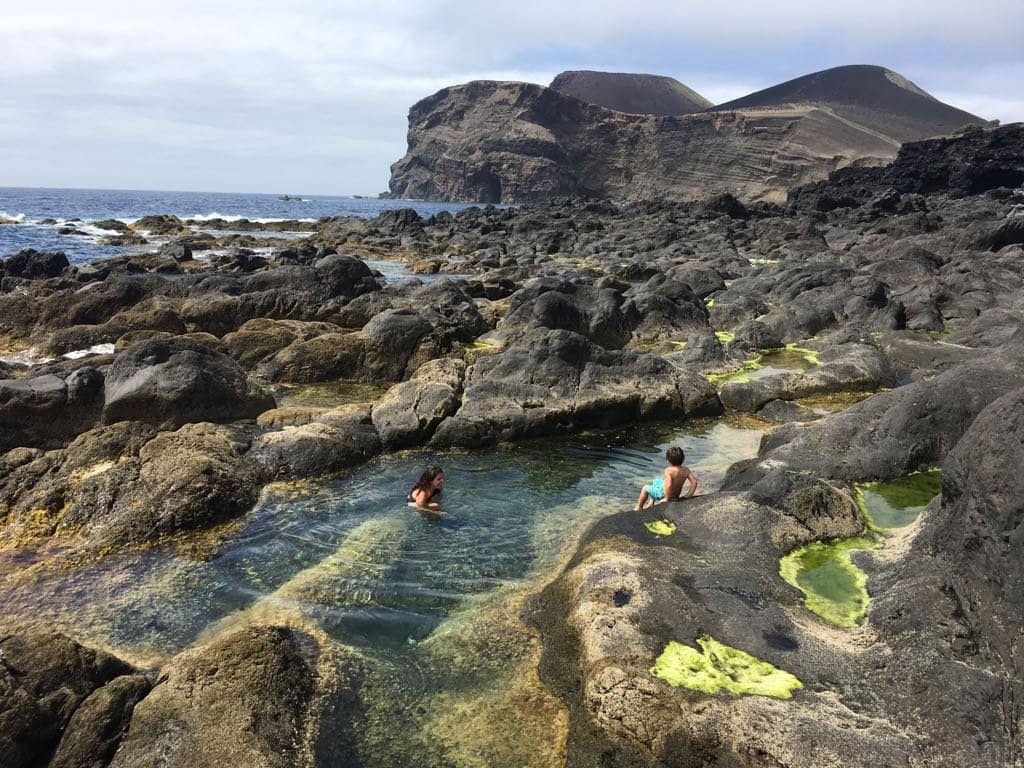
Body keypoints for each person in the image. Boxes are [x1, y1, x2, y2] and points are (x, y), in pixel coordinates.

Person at [635, 446, 697, 511]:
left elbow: (669, 484)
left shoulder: (668, 470)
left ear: (668, 461)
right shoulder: (686, 470)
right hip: (676, 496)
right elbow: (694, 482)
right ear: (683, 459)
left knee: (645, 488)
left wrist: (667, 498)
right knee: (657, 481)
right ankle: (651, 501)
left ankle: (639, 507)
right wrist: (688, 495)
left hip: (664, 494)